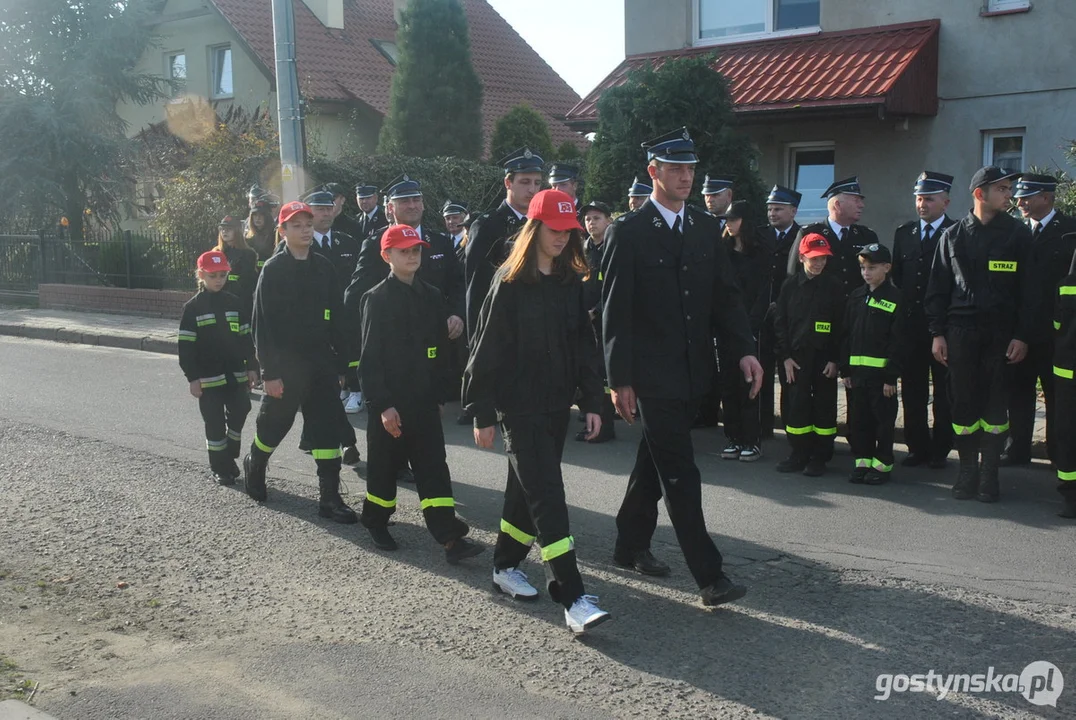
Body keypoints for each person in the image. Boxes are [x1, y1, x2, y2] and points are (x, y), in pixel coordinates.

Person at [601, 127, 764, 607]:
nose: (686, 177)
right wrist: (619, 379)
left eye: (691, 168)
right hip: (650, 377)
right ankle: (710, 576)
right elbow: (615, 313)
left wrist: (745, 349)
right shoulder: (627, 232)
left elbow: (725, 297)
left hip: (694, 372)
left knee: (654, 461)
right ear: (654, 172)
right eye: (676, 168)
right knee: (679, 471)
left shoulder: (702, 228)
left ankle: (629, 543)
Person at [464, 189, 611, 634]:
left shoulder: (570, 283)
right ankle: (572, 596)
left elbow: (583, 347)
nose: (564, 238)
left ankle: (505, 565)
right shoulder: (508, 282)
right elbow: (484, 346)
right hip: (518, 407)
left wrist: (591, 401)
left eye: (569, 230)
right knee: (548, 496)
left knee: (524, 491)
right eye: (555, 229)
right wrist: (481, 410)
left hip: (555, 406)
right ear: (534, 228)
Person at [358, 223, 485, 563]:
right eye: (404, 251)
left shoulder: (431, 295)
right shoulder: (376, 299)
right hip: (390, 403)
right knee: (384, 469)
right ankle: (376, 521)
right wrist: (383, 406)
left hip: (424, 401)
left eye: (416, 251)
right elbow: (370, 360)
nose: (412, 256)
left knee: (433, 469)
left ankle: (449, 538)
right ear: (387, 256)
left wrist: (440, 394)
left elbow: (440, 350)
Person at [242, 201, 357, 524]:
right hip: (285, 365)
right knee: (274, 424)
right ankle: (256, 462)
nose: (305, 230)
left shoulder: (324, 267)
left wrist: (342, 365)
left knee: (326, 428)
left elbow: (338, 317)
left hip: (321, 362)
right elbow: (262, 326)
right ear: (283, 231)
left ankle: (330, 499)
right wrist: (270, 373)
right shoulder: (274, 270)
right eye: (297, 225)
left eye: (308, 224)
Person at [925, 166, 1035, 503]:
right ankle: (967, 471)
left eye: (1008, 188)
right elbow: (937, 290)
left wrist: (1022, 335)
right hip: (961, 333)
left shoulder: (1017, 235)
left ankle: (990, 474)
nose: (1009, 195)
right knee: (963, 405)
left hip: (1000, 335)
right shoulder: (953, 236)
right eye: (1002, 189)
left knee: (995, 407)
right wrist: (937, 334)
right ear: (979, 194)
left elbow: (1030, 292)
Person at [347, 176, 466, 446]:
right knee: (394, 427)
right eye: (404, 201)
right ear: (390, 208)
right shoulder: (376, 243)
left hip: (433, 347)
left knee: (428, 426)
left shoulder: (440, 241)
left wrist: (457, 314)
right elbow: (355, 296)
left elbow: (458, 285)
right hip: (394, 351)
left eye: (416, 199)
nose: (412, 205)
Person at [462, 147, 543, 425]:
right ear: (508, 183)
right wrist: (476, 344)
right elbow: (476, 289)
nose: (532, 190)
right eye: (524, 182)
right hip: (502, 332)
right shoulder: (488, 226)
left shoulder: (542, 225)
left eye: (537, 183)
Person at [1004, 174, 1076, 466]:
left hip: (1056, 334)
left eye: (1027, 196)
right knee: (1018, 394)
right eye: (1019, 196)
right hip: (1020, 331)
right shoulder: (1017, 232)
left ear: (1046, 198)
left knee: (1058, 397)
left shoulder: (1070, 231)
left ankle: (1060, 455)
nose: (1019, 202)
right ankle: (1017, 448)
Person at [890, 172, 956, 469]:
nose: (922, 204)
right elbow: (898, 281)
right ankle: (917, 446)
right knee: (913, 390)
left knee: (944, 392)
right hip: (911, 327)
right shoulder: (904, 233)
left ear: (946, 201)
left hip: (943, 327)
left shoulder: (956, 232)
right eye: (918, 198)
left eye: (928, 199)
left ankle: (941, 449)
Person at [179, 250, 257, 485]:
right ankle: (220, 468)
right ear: (201, 275)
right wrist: (192, 377)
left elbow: (246, 338)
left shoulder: (235, 303)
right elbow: (186, 347)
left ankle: (230, 452)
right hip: (208, 378)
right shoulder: (192, 308)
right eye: (213, 276)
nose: (218, 280)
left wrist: (252, 367)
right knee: (214, 423)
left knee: (242, 409)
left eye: (222, 275)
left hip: (235, 375)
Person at [774, 233, 844, 476]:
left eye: (823, 258)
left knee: (824, 409)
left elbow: (840, 326)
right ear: (802, 257)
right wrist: (785, 358)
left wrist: (835, 360)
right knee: (797, 406)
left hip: (824, 359)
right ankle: (798, 453)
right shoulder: (790, 286)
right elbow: (780, 323)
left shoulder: (834, 287)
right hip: (797, 359)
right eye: (814, 258)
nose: (819, 263)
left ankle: (820, 457)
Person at [841, 244, 905, 485]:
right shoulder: (857, 296)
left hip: (881, 378)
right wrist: (845, 369)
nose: (866, 273)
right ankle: (862, 462)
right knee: (859, 422)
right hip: (857, 375)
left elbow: (898, 341)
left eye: (872, 268)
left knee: (882, 423)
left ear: (887, 268)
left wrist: (891, 377)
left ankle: (882, 465)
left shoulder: (895, 298)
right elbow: (846, 334)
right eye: (863, 268)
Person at [718, 201, 772, 463]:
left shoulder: (760, 252)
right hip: (727, 327)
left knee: (749, 383)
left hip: (751, 327)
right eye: (726, 219)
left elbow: (764, 292)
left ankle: (752, 439)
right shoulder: (723, 251)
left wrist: (751, 325)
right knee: (728, 384)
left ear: (745, 221)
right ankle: (734, 438)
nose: (728, 223)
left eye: (733, 219)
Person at [786, 177, 879, 298]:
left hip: (856, 309)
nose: (861, 205)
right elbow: (793, 275)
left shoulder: (867, 236)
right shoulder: (809, 233)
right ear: (837, 205)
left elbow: (879, 276)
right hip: (820, 309)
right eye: (856, 200)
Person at [760, 185, 803, 439]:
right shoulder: (760, 235)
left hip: (789, 317)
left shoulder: (802, 235)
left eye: (778, 209)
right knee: (762, 372)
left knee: (789, 375)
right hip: (764, 316)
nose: (772, 213)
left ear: (793, 211)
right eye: (769, 209)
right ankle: (763, 425)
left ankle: (791, 427)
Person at [578, 199, 616, 443]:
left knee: (604, 373)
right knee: (588, 370)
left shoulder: (614, 247)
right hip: (585, 319)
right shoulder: (583, 249)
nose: (591, 223)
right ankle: (591, 419)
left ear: (609, 221)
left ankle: (605, 426)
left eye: (597, 218)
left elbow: (614, 286)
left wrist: (597, 310)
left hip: (607, 318)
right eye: (588, 219)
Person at [1052, 245, 1076, 518]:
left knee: (1067, 435)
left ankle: (1070, 497)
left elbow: (1057, 325)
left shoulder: (1064, 285)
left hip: (1067, 373)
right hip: (1066, 372)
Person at [214, 215, 258, 318]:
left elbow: (247, 281)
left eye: (229, 229)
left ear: (237, 231)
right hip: (219, 301)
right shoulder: (216, 252)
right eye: (222, 229)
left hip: (241, 302)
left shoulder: (248, 254)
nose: (224, 232)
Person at [245, 196, 278, 271]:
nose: (258, 218)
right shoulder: (248, 238)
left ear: (267, 216)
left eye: (261, 214)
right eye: (255, 215)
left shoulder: (275, 235)